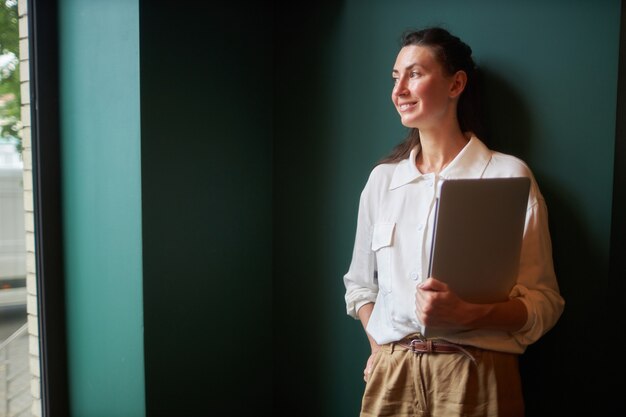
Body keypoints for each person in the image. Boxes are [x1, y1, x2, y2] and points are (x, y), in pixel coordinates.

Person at [343, 27, 565, 417]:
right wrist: (379, 350)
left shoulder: (508, 176)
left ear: (456, 83)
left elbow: (544, 303)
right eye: (395, 78)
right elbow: (360, 288)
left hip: (475, 375)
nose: (399, 90)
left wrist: (469, 314)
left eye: (414, 74)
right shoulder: (383, 181)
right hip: (391, 378)